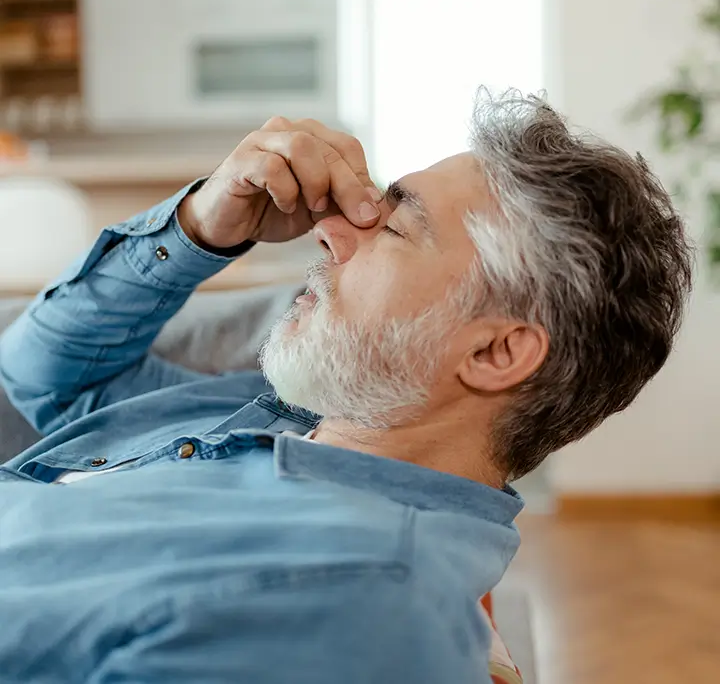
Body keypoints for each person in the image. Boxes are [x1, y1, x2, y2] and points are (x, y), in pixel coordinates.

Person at [0, 91, 692, 684]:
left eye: (392, 227)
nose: (326, 233)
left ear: (496, 350)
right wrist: (199, 229)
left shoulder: (355, 599)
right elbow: (40, 374)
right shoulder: (287, 416)